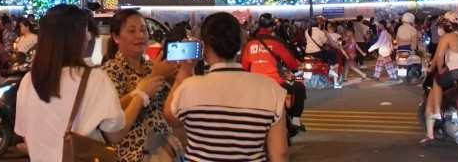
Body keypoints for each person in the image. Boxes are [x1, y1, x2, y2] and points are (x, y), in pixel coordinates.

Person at [165, 11, 288, 162]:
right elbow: (280, 153)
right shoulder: (270, 89)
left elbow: (171, 118)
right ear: (241, 44)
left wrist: (185, 70)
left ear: (203, 47)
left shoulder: (190, 87)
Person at [15, 4, 126, 162]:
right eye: (85, 30)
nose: (88, 36)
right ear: (77, 37)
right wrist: (140, 96)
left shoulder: (28, 81)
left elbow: (26, 136)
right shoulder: (95, 79)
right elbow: (115, 133)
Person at [101, 9, 179, 162]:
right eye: (132, 31)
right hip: (132, 155)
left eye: (143, 30)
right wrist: (152, 79)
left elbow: (169, 111)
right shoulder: (109, 71)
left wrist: (179, 77)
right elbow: (111, 112)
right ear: (116, 37)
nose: (140, 35)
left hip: (163, 152)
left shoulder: (152, 66)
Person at [241, 13, 306, 137]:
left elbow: (244, 66)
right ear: (272, 27)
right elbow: (291, 63)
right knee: (300, 88)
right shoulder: (276, 42)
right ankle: (295, 120)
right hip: (276, 83)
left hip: (255, 84)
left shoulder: (250, 44)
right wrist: (295, 69)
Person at [421, 11, 458, 142]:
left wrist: (441, 69)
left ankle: (437, 113)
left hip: (455, 71)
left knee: (437, 82)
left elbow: (439, 57)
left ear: (449, 24)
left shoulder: (447, 37)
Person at [305, 16, 344, 88]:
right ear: (319, 24)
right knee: (332, 55)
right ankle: (330, 69)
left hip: (308, 52)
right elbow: (325, 41)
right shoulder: (320, 32)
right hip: (318, 52)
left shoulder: (307, 31)